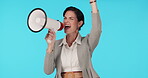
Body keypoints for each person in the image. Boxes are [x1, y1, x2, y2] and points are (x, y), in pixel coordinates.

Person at [44, 0, 102, 78]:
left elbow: (96, 29)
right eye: (65, 18)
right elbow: (48, 71)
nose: (66, 21)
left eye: (71, 18)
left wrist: (93, 3)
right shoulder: (57, 44)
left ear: (79, 23)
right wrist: (50, 46)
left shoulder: (87, 42)